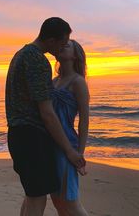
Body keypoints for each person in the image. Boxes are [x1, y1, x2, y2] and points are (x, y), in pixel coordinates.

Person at [5, 17, 86, 216]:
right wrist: (69, 151)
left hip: (18, 134)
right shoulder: (39, 62)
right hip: (32, 138)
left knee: (33, 195)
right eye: (62, 42)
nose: (61, 48)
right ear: (51, 40)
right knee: (37, 197)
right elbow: (47, 114)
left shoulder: (20, 55)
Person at [50, 39, 90, 216]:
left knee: (71, 202)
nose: (62, 46)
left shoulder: (78, 82)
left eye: (66, 45)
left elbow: (84, 121)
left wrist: (79, 154)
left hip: (67, 146)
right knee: (58, 202)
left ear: (75, 55)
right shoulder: (53, 81)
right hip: (50, 143)